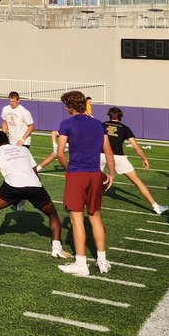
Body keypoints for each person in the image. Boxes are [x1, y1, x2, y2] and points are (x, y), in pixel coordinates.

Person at [0, 130, 69, 259]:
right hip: (34, 185)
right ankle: (57, 247)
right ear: (7, 139)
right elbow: (34, 170)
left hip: (13, 186)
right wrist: (36, 187)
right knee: (52, 214)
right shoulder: (24, 150)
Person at [52, 90, 116, 277]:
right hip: (96, 173)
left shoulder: (67, 123)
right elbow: (108, 152)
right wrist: (111, 174)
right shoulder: (98, 124)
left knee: (76, 218)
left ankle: (81, 263)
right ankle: (102, 261)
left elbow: (61, 153)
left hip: (78, 174)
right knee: (95, 216)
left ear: (70, 106)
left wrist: (69, 169)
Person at [101, 108, 169, 214]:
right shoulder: (125, 128)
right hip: (118, 157)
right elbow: (135, 146)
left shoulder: (101, 125)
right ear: (121, 116)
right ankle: (156, 207)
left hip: (101, 155)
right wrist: (144, 158)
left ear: (109, 115)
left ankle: (85, 201)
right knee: (137, 182)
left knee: (90, 179)